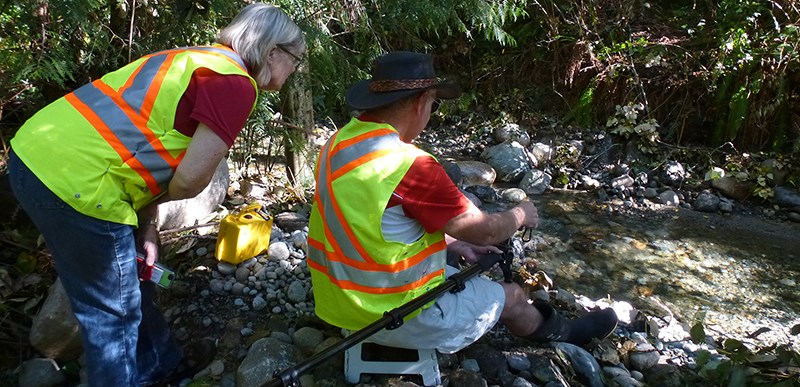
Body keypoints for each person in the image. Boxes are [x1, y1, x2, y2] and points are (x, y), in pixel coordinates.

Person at [7, 4, 305, 386]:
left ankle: (159, 365)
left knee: (131, 278)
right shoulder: (233, 82)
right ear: (272, 51)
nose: (294, 69)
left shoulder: (186, 57)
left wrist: (147, 224)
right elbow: (190, 181)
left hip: (33, 156)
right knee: (112, 316)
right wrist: (154, 208)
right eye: (295, 59)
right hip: (79, 185)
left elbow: (139, 143)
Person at [307, 51, 618, 354]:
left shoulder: (338, 143)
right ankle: (565, 334)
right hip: (392, 315)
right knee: (512, 297)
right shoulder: (409, 164)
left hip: (342, 303)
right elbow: (485, 232)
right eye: (433, 104)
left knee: (455, 266)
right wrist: (521, 214)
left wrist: (453, 244)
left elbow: (367, 224)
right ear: (420, 103)